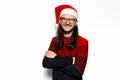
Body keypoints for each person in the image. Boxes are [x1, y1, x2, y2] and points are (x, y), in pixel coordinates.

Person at [42, 4, 88, 80]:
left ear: (76, 22)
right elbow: (45, 63)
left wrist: (56, 59)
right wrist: (69, 60)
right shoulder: (54, 40)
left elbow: (78, 72)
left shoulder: (83, 42)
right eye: (64, 19)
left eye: (71, 19)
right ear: (60, 21)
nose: (67, 22)